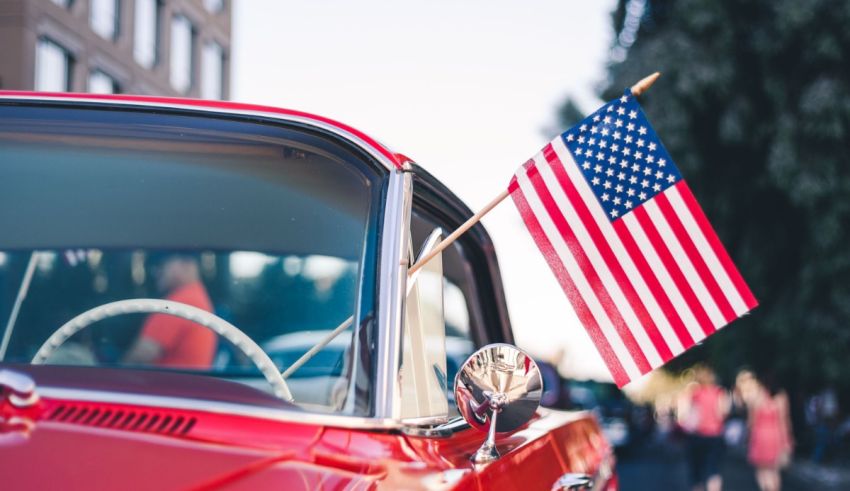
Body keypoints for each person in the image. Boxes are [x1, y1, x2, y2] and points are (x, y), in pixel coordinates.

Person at [124, 253, 216, 369]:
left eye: (161, 264)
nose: (155, 272)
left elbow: (140, 356)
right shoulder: (197, 296)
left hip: (168, 385)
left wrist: (113, 372)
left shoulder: (181, 303)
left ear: (187, 264)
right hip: (186, 383)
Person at [680, 365, 730, 491]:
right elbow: (722, 413)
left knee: (696, 472)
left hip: (697, 436)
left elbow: (686, 415)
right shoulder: (719, 393)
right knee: (713, 470)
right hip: (715, 435)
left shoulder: (695, 394)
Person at [747, 374, 793, 491]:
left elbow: (751, 422)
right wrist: (787, 442)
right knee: (774, 471)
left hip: (760, 436)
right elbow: (784, 421)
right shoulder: (781, 397)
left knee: (762, 471)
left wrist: (749, 438)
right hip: (775, 436)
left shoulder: (757, 397)